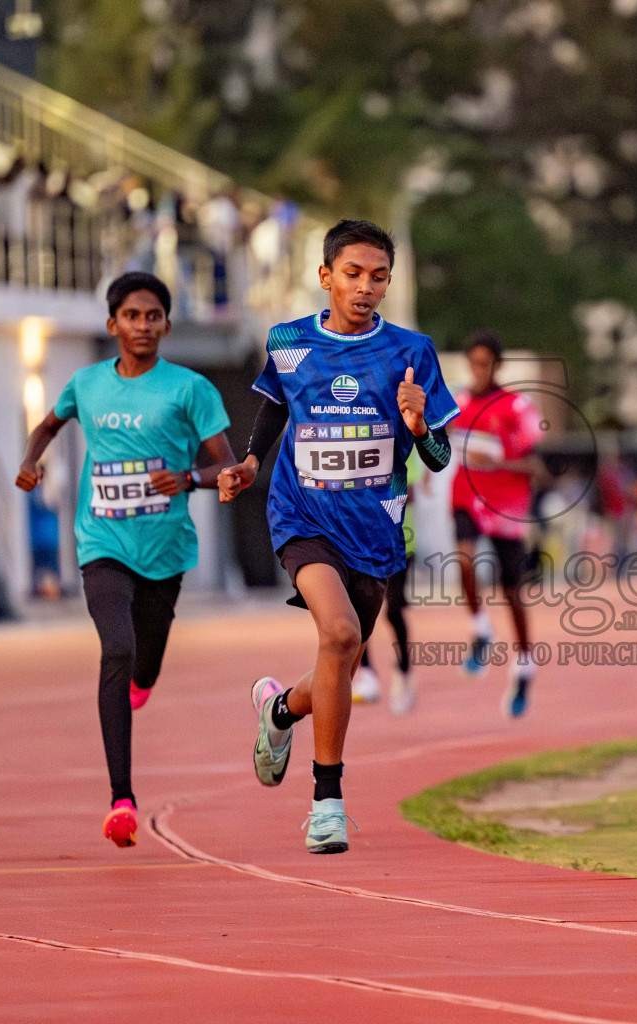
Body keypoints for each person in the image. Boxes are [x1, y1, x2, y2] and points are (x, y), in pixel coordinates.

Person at [217, 219, 457, 854]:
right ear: (326, 276)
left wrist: (418, 421)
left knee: (339, 661)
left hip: (374, 531)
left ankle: (280, 710)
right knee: (341, 634)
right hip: (302, 516)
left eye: (379, 277)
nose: (366, 287)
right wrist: (248, 462)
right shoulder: (289, 341)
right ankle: (327, 802)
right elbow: (275, 405)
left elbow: (436, 457)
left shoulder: (412, 351)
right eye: (353, 274)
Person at [16, 271, 235, 848]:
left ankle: (142, 677)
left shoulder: (190, 389)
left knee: (145, 661)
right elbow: (47, 424)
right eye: (132, 316)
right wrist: (32, 461)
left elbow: (228, 468)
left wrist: (188, 478)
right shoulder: (86, 384)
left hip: (165, 551)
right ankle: (121, 799)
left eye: (154, 316)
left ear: (166, 323)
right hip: (101, 543)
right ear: (113, 325)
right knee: (116, 648)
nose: (143, 325)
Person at [449, 330, 544, 717]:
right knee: (464, 560)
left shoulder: (517, 407)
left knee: (512, 592)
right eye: (473, 362)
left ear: (498, 365)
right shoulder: (457, 402)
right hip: (467, 496)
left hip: (507, 505)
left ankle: (524, 663)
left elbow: (537, 466)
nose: (478, 369)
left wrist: (498, 462)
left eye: (485, 362)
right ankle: (480, 627)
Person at [351, 447, 421, 713]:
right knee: (358, 608)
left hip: (399, 540)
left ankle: (404, 669)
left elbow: (409, 493)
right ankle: (367, 673)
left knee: (393, 611)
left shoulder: (402, 445)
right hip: (361, 539)